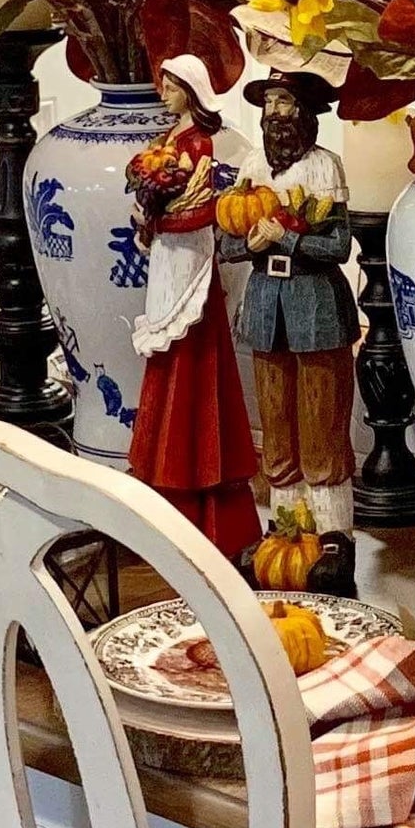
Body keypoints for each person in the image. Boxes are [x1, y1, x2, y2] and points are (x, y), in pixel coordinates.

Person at [122, 54, 261, 557]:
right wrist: (151, 218)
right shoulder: (167, 144)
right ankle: (164, 473)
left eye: (171, 84)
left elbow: (201, 214)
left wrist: (160, 219)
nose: (162, 91)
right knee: (166, 359)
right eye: (162, 83)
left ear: (191, 92)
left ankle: (195, 475)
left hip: (190, 268)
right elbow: (168, 208)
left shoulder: (197, 145)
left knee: (193, 365)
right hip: (166, 264)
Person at [235, 65, 357, 538]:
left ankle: (331, 529)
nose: (274, 113)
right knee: (276, 414)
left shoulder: (324, 166)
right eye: (268, 104)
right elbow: (229, 240)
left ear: (305, 111)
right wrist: (254, 244)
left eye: (283, 102)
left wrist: (284, 237)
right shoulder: (253, 170)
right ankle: (284, 520)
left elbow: (338, 246)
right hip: (267, 302)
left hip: (315, 304)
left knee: (321, 412)